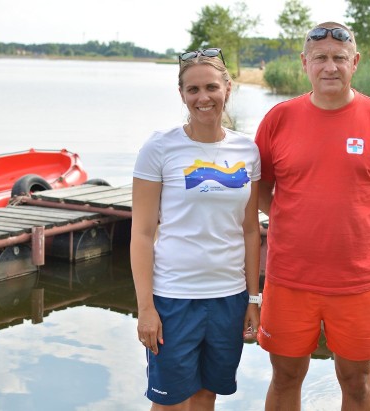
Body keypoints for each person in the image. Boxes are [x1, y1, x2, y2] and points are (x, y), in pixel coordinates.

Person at [254, 22, 370, 410]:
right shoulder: (278, 119)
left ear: (355, 62)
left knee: (357, 382)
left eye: (339, 58)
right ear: (304, 63)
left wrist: (365, 224)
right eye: (320, 59)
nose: (329, 67)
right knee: (284, 377)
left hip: (357, 281)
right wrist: (289, 216)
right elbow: (259, 190)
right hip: (289, 278)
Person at [130, 47, 262, 410]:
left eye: (211, 87)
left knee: (206, 395)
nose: (203, 98)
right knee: (169, 402)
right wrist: (146, 309)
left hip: (228, 297)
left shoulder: (247, 150)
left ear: (228, 88)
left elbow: (251, 230)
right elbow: (141, 233)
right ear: (182, 95)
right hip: (174, 297)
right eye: (193, 90)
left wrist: (253, 299)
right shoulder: (160, 148)